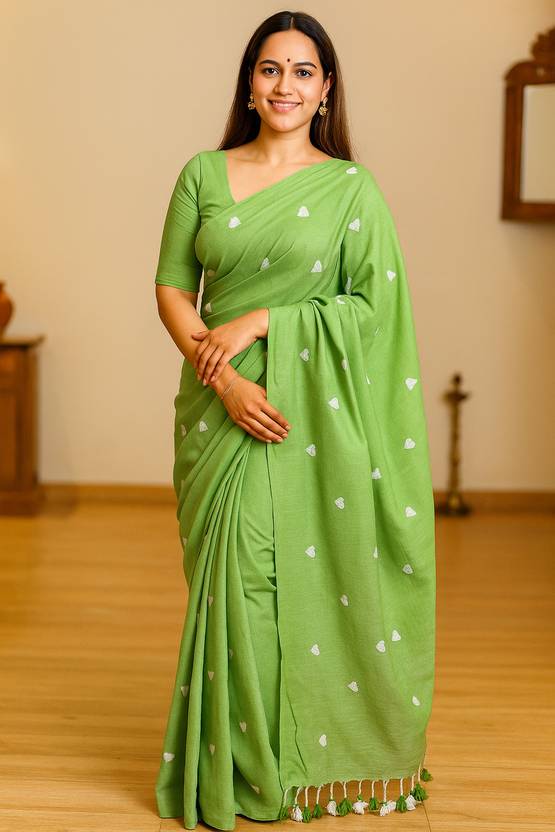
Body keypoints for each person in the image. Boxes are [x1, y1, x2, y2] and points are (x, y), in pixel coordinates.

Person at [153, 10, 436, 830]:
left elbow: (373, 310)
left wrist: (264, 321)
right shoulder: (203, 174)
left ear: (325, 89)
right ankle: (241, 767)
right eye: (270, 69)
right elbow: (172, 289)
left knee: (263, 583)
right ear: (249, 83)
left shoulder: (351, 189)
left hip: (306, 416)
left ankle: (275, 770)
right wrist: (225, 383)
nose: (285, 85)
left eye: (302, 71)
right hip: (219, 412)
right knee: (232, 585)